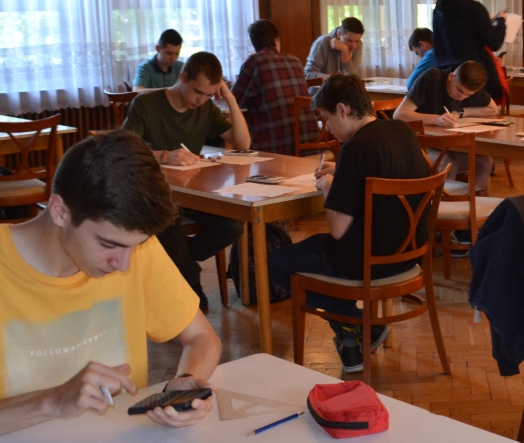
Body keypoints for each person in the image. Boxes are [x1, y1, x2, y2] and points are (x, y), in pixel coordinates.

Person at [0, 129, 219, 443]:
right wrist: (52, 401)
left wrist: (186, 380)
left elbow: (201, 337)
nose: (124, 265)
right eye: (107, 244)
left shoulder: (130, 245)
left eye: (137, 245)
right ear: (60, 211)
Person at [267, 74, 430, 373]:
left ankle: (356, 326)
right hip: (410, 253)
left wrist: (330, 187)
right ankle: (363, 331)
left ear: (342, 110)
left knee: (275, 264)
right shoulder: (402, 130)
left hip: (368, 260)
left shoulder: (355, 148)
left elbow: (338, 231)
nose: (327, 127)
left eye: (327, 119)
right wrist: (342, 172)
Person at [122, 51, 250, 311]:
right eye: (197, 92)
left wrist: (230, 99)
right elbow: (123, 149)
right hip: (153, 195)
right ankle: (193, 296)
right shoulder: (146, 104)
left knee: (233, 224)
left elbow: (244, 144)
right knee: (170, 227)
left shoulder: (205, 109)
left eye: (208, 95)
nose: (200, 100)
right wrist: (164, 156)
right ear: (183, 78)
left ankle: (180, 264)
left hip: (192, 193)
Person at [396, 61, 499, 192]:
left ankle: (470, 202)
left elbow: (493, 109)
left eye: (468, 95)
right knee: (449, 162)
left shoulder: (469, 86)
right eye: (459, 90)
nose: (461, 98)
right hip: (420, 145)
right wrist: (437, 119)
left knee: (485, 162)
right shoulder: (432, 78)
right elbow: (399, 115)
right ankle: (441, 204)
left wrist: (462, 112)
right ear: (451, 77)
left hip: (448, 145)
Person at [232, 19, 311, 154]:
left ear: (253, 43)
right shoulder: (296, 61)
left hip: (274, 145)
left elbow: (235, 101)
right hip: (308, 142)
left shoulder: (254, 62)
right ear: (276, 40)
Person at [432, 0, 507, 101]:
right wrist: (501, 22)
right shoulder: (475, 9)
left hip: (445, 76)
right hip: (470, 78)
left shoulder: (439, 8)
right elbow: (494, 43)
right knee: (485, 112)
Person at [306, 18, 365, 90]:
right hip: (321, 93)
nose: (354, 45)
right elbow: (308, 74)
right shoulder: (322, 42)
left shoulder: (359, 44)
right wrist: (333, 79)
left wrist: (344, 50)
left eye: (357, 41)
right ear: (339, 34)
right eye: (349, 40)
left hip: (344, 93)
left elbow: (352, 77)